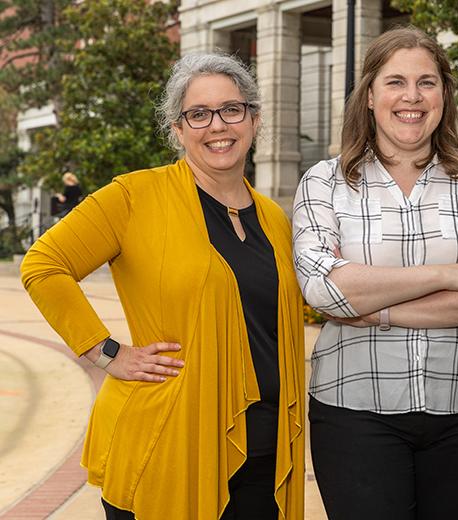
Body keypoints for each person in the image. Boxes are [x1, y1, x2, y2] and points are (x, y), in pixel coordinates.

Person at [20, 53, 305, 519]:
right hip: (169, 444)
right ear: (177, 129)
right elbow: (44, 265)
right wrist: (106, 352)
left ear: (254, 119)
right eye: (199, 114)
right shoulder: (134, 196)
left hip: (264, 451)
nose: (218, 126)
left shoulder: (273, 218)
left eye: (232, 110)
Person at [293, 27, 458, 520]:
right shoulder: (325, 182)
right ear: (370, 95)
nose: (412, 97)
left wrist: (378, 309)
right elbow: (324, 288)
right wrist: (451, 274)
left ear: (444, 94)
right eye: (395, 81)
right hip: (353, 408)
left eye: (427, 82)